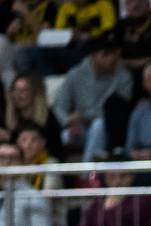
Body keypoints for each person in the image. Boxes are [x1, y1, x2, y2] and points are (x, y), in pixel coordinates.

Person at [51, 32, 131, 160]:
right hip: (78, 128)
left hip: (108, 131)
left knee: (98, 125)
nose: (112, 58)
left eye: (114, 54)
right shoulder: (75, 74)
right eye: (106, 54)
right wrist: (68, 121)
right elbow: (59, 107)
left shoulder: (124, 77)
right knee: (57, 136)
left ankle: (87, 171)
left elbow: (116, 114)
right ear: (92, 56)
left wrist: (83, 117)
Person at [5, 73, 63, 159]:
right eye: (15, 90)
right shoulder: (8, 121)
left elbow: (57, 152)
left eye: (23, 90)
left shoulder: (49, 120)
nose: (18, 94)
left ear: (36, 93)